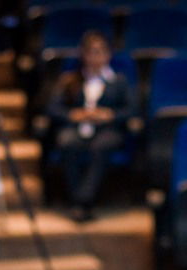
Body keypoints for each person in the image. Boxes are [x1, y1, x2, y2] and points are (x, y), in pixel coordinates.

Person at [46, 30, 136, 222]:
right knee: (67, 141)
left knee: (101, 145)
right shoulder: (70, 79)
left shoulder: (119, 81)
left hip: (107, 130)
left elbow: (131, 110)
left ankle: (82, 201)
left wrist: (110, 115)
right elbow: (53, 108)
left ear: (108, 54)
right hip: (77, 128)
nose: (96, 57)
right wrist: (73, 114)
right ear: (84, 55)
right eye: (91, 52)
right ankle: (81, 201)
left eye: (100, 52)